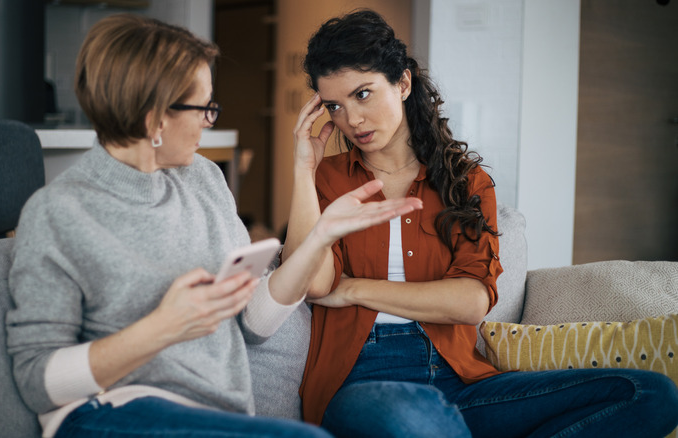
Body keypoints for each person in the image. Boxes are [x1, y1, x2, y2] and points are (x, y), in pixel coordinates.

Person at [5, 13, 423, 438]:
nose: (210, 120)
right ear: (155, 118)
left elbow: (255, 326)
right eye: (203, 106)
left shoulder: (204, 180)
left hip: (216, 414)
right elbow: (38, 380)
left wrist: (320, 237)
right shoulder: (59, 211)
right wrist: (163, 328)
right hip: (107, 412)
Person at [283, 9, 678, 438]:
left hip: (460, 381)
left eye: (363, 94)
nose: (351, 119)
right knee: (406, 420)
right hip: (363, 383)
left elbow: (471, 301)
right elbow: (314, 284)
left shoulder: (466, 181)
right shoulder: (328, 177)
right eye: (335, 106)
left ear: (402, 83)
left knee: (649, 391)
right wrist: (304, 172)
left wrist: (356, 289)